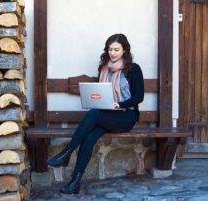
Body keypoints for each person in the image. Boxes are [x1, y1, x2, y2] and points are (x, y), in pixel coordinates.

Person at [46, 33, 144, 194]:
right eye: (110, 49)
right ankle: (74, 183)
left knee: (95, 113)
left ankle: (67, 152)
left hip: (126, 116)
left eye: (116, 49)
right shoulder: (104, 68)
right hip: (107, 115)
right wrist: (96, 100)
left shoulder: (133, 69)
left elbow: (138, 97)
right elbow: (100, 93)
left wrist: (119, 104)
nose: (112, 52)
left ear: (124, 50)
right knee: (90, 136)